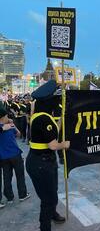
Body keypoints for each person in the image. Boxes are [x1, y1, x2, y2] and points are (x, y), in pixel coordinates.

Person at [25, 80, 70, 231]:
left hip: (42, 161)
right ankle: (45, 227)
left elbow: (52, 133)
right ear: (48, 101)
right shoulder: (44, 119)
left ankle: (52, 214)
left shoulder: (40, 116)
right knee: (48, 198)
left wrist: (62, 120)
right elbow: (53, 145)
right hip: (41, 163)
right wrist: (65, 144)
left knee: (51, 192)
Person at [0, 108, 30, 205]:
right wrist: (12, 125)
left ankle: (9, 197)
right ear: (3, 117)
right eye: (6, 116)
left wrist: (12, 125)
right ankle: (22, 195)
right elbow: (18, 134)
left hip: (3, 157)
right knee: (20, 175)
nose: (8, 118)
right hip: (15, 155)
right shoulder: (7, 126)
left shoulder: (6, 126)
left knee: (6, 177)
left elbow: (18, 134)